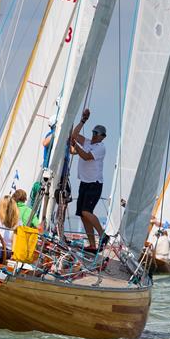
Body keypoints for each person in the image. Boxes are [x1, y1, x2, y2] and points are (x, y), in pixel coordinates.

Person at [69, 108, 107, 253]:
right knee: (82, 214)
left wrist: (75, 145)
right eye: (93, 132)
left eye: (97, 133)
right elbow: (74, 135)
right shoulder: (87, 142)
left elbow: (85, 156)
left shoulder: (100, 147)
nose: (94, 134)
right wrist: (83, 121)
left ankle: (103, 235)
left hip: (95, 184)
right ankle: (92, 245)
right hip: (84, 182)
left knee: (86, 211)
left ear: (103, 136)